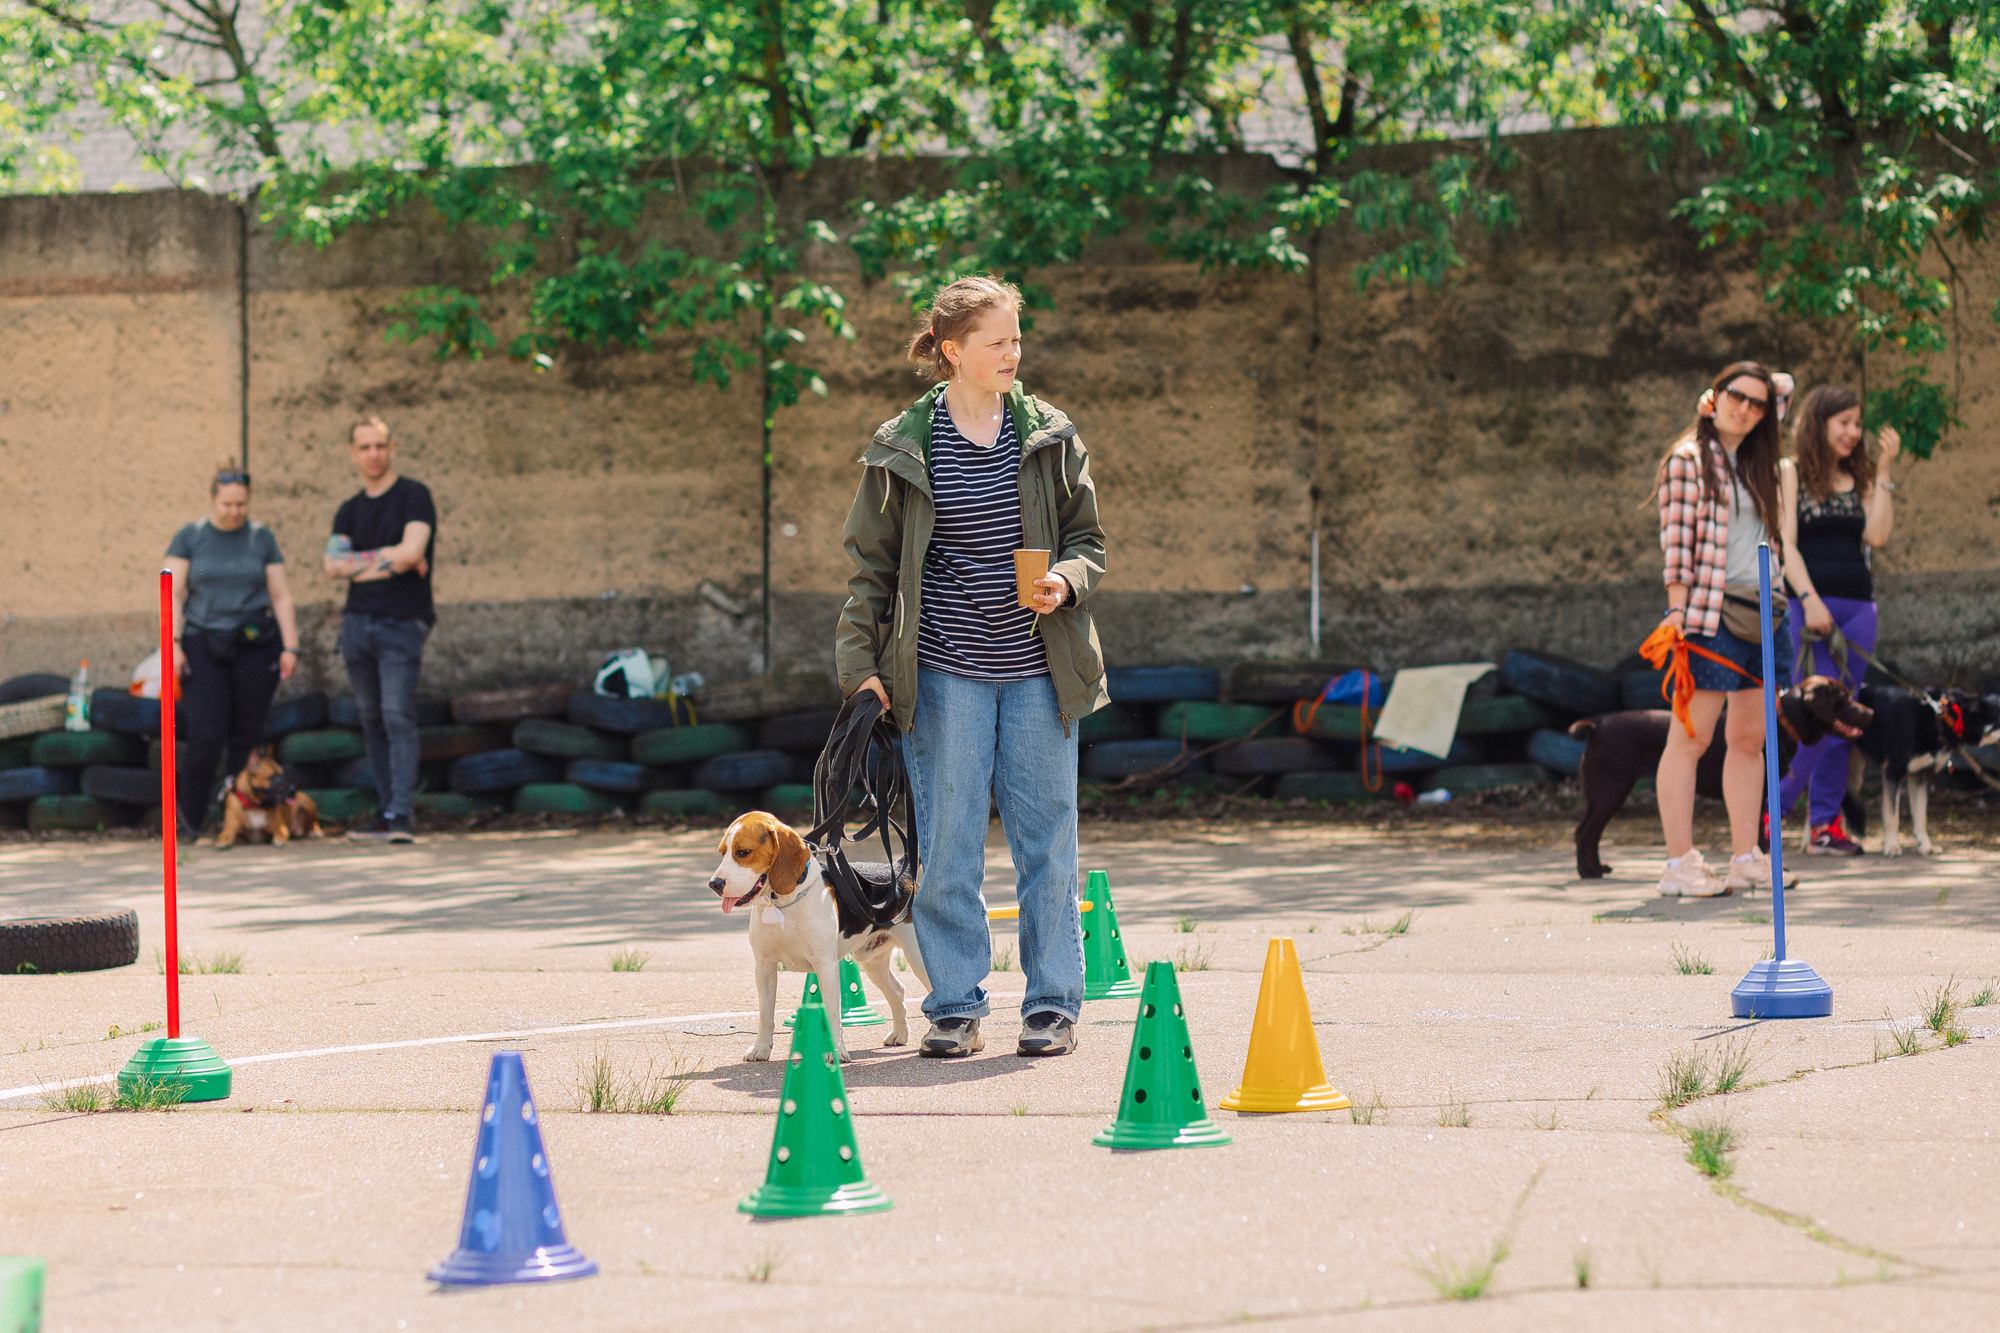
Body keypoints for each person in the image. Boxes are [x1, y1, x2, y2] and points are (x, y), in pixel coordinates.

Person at [834, 275, 1109, 1058]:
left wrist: (1066, 579)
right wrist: (861, 666)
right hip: (945, 670)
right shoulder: (902, 445)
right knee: (950, 845)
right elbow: (869, 570)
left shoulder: (1051, 434)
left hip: (1037, 670)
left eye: (1017, 339)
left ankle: (1052, 1003)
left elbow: (1089, 541)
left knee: (1047, 841)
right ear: (952, 350)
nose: (1013, 354)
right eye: (997, 342)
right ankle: (954, 1004)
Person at [1654, 361, 1817, 896]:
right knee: (1691, 739)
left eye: (1755, 402)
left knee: (1750, 741)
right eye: (1733, 395)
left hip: (1766, 612)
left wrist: (1766, 395)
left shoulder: (1760, 464)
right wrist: (1676, 614)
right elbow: (1677, 549)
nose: (1743, 407)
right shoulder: (1689, 461)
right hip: (1709, 614)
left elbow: (1784, 388)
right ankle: (1679, 864)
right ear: (1713, 395)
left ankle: (1746, 856)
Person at [1779, 386, 1901, 854]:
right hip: (1807, 608)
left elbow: (1878, 535)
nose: (1854, 432)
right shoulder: (1789, 474)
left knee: (1843, 722)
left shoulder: (1860, 477)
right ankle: (1772, 812)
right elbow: (1786, 544)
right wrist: (1808, 598)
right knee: (1806, 717)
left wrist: (1884, 471)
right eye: (1844, 422)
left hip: (1858, 609)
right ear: (1819, 423)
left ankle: (1824, 826)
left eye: (1857, 424)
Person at [165, 467, 299, 840]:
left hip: (254, 643)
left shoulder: (261, 537)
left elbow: (280, 594)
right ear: (212, 499)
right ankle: (189, 819)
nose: (234, 511)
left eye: (241, 504)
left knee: (247, 735)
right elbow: (172, 592)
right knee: (206, 733)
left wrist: (290, 645)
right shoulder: (190, 537)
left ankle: (241, 820)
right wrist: (173, 644)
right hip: (201, 641)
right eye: (227, 504)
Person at [325, 416, 436, 844]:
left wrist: (361, 565)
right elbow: (332, 566)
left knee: (396, 715)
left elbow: (411, 554)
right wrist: (388, 560)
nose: (373, 454)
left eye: (380, 445)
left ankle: (402, 817)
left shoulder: (414, 496)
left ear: (392, 447)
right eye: (364, 447)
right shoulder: (349, 510)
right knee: (370, 719)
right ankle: (387, 810)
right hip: (357, 625)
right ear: (353, 453)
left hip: (401, 622)